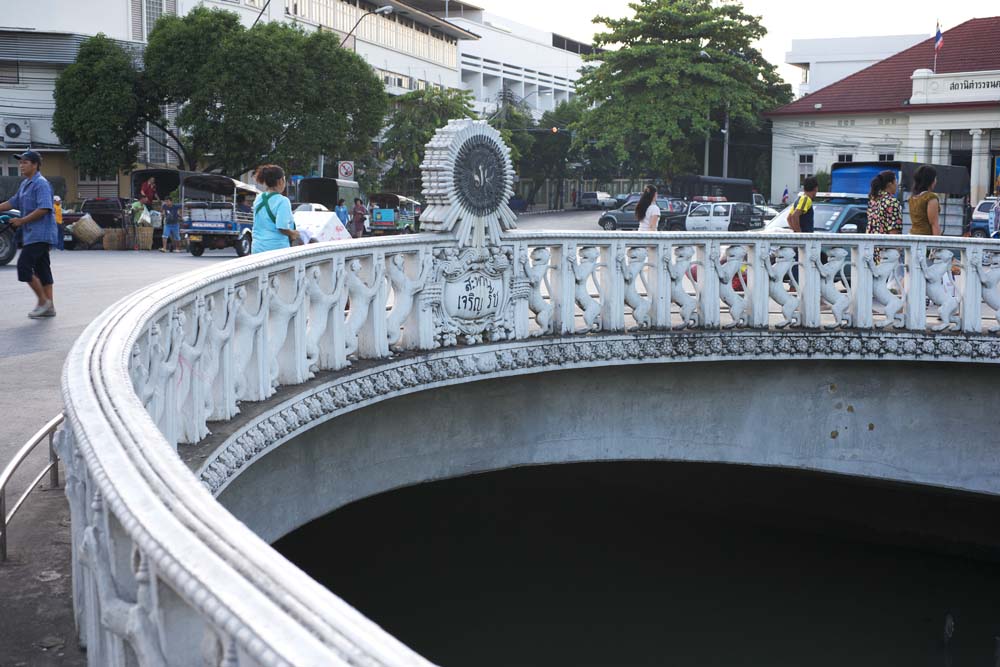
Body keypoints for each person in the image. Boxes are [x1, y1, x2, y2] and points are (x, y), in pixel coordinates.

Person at [0, 150, 59, 318]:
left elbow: (44, 208)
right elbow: (12, 202)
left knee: (23, 266)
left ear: (35, 165)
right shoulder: (26, 184)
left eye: (25, 162)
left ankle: (43, 302)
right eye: (20, 163)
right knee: (42, 270)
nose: (21, 166)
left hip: (41, 233)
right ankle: (50, 307)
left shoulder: (41, 183)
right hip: (31, 234)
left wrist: (21, 221)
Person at [251, 164, 299, 253]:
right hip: (276, 250)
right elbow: (282, 226)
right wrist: (293, 234)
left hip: (257, 248)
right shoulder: (283, 201)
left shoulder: (259, 198)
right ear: (280, 181)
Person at [910, 165, 941, 236]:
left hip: (912, 235)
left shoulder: (913, 197)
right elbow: (934, 224)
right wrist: (937, 244)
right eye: (935, 178)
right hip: (925, 238)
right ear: (930, 180)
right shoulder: (930, 197)